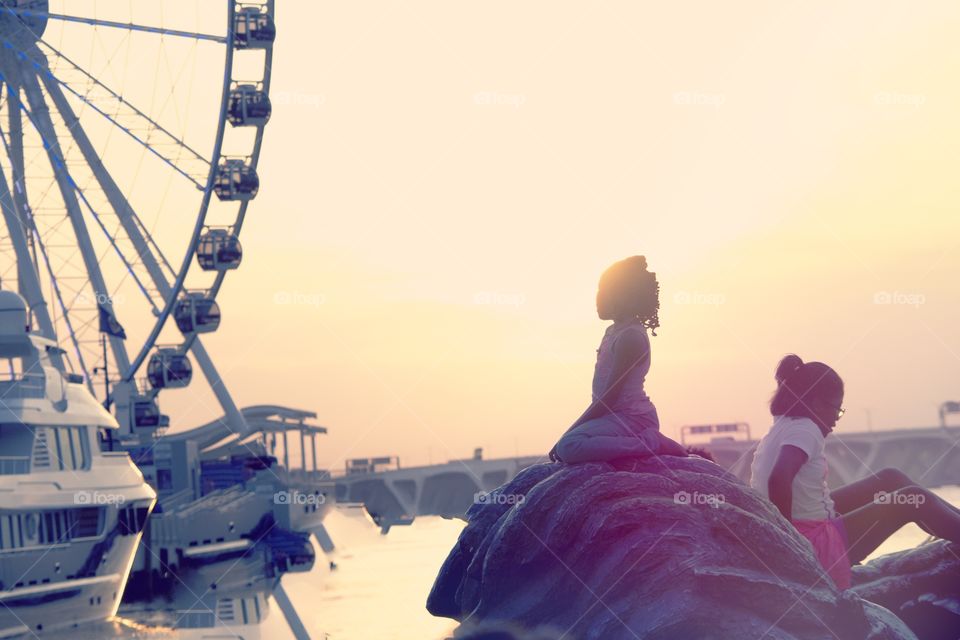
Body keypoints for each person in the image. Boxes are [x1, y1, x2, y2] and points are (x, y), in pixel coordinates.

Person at [750, 354, 960, 589]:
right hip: (816, 547)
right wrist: (790, 544)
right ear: (817, 403)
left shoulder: (782, 425)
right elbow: (779, 478)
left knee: (890, 479)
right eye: (836, 409)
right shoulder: (806, 430)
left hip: (809, 524)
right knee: (913, 499)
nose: (836, 419)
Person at [549, 256, 686, 464]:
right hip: (614, 417)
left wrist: (568, 432)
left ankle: (651, 443)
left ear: (624, 297)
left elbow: (609, 398)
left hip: (634, 418)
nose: (597, 298)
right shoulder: (613, 331)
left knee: (569, 445)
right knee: (568, 443)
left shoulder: (630, 338)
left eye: (604, 291)